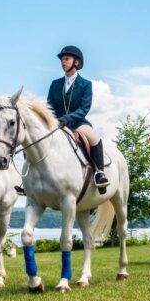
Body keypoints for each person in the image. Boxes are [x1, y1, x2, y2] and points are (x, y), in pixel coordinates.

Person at [47, 45, 109, 193]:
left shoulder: (86, 84)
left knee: (94, 138)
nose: (63, 62)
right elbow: (49, 107)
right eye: (62, 59)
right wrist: (52, 120)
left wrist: (67, 118)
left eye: (66, 59)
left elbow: (84, 108)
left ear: (77, 62)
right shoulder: (55, 84)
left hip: (78, 124)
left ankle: (99, 173)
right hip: (57, 124)